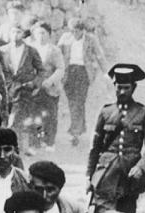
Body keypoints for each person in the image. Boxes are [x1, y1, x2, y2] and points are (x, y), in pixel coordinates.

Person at [86, 64, 145, 213]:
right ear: (114, 86)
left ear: (133, 88)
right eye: (119, 87)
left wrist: (141, 168)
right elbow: (95, 148)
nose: (122, 92)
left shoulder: (143, 113)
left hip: (129, 177)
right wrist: (89, 176)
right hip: (105, 174)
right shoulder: (106, 112)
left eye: (126, 88)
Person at [57, 19, 103, 147]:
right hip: (69, 72)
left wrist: (105, 73)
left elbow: (99, 55)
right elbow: (57, 53)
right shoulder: (65, 38)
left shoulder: (90, 39)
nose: (74, 33)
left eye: (76, 31)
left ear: (82, 30)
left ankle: (75, 131)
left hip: (83, 72)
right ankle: (80, 127)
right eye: (72, 31)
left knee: (79, 100)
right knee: (73, 101)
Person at [0, 24, 45, 151]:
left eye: (18, 32)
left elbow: (41, 71)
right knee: (6, 120)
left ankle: (12, 148)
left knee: (14, 121)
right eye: (13, 32)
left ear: (23, 34)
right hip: (7, 90)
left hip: (23, 91)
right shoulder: (2, 51)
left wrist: (35, 83)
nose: (15, 35)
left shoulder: (31, 51)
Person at [28, 21, 64, 152]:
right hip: (35, 88)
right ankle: (35, 143)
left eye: (44, 33)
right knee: (34, 116)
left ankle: (50, 143)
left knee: (50, 116)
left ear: (49, 34)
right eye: (38, 33)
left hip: (50, 89)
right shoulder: (30, 48)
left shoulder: (54, 50)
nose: (41, 36)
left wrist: (50, 81)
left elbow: (60, 69)